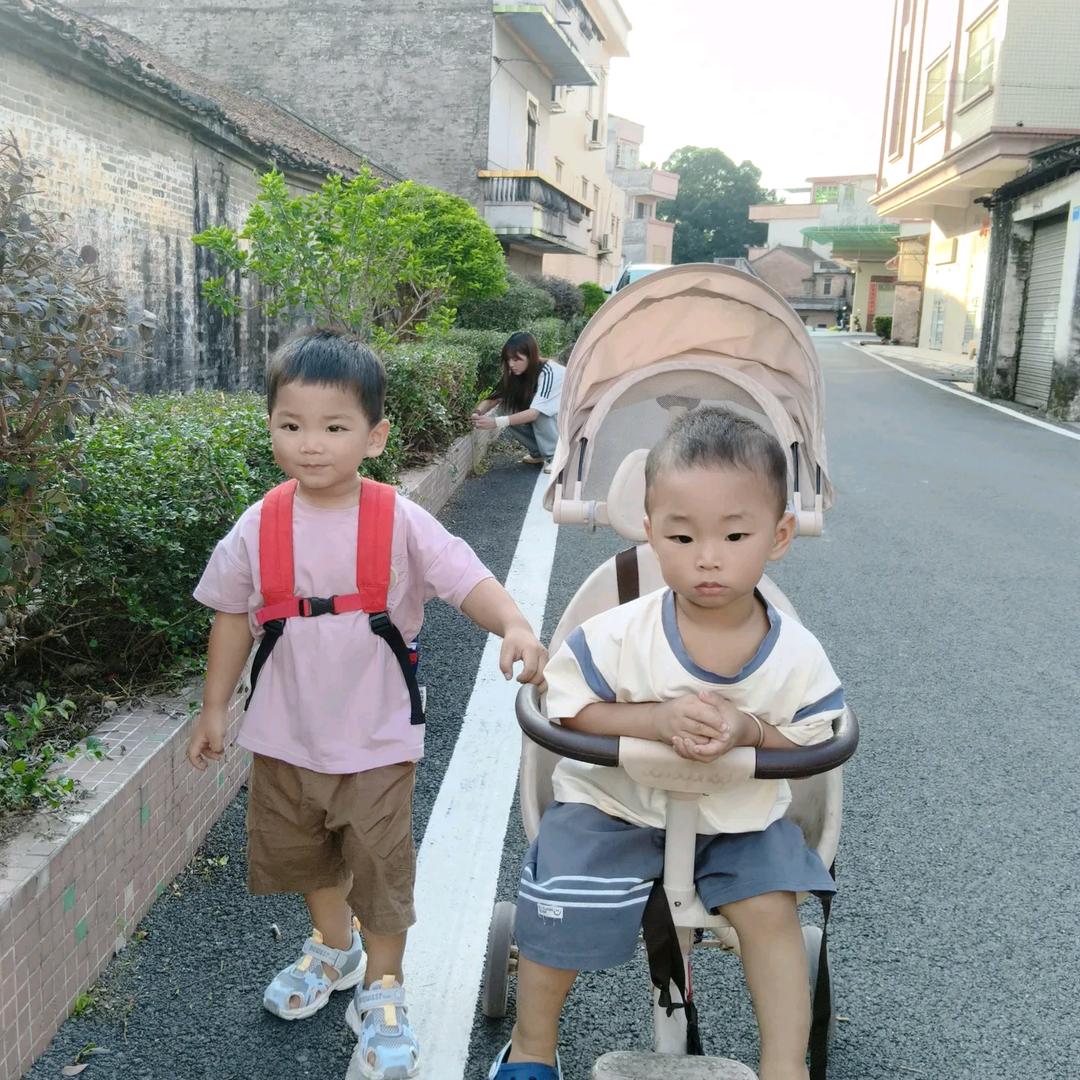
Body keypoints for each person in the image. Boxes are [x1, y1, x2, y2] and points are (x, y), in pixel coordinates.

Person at [186, 329, 546, 1080]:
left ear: (375, 436)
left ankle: (383, 989)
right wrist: (215, 708)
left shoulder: (398, 520)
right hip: (284, 738)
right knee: (308, 857)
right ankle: (334, 951)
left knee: (381, 873)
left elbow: (463, 577)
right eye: (291, 425)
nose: (309, 444)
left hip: (379, 740)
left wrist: (511, 622)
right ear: (272, 426)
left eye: (334, 426)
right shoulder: (260, 524)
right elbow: (228, 616)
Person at [490, 407, 845, 1080]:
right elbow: (566, 708)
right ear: (651, 533)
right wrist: (652, 721)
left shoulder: (796, 657)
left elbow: (810, 739)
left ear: (779, 535)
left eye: (734, 534)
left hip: (735, 818)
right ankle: (533, 1047)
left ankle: (784, 1065)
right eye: (682, 537)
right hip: (615, 804)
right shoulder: (618, 634)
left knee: (772, 915)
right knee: (562, 893)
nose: (708, 556)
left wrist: (747, 730)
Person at [471, 331, 564, 473]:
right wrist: (477, 413)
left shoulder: (550, 372)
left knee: (541, 411)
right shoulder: (515, 372)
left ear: (530, 357)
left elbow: (534, 413)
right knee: (507, 408)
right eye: (508, 360)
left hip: (568, 423)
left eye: (516, 359)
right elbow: (492, 400)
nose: (511, 364)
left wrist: (495, 422)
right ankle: (538, 453)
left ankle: (556, 457)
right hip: (552, 421)